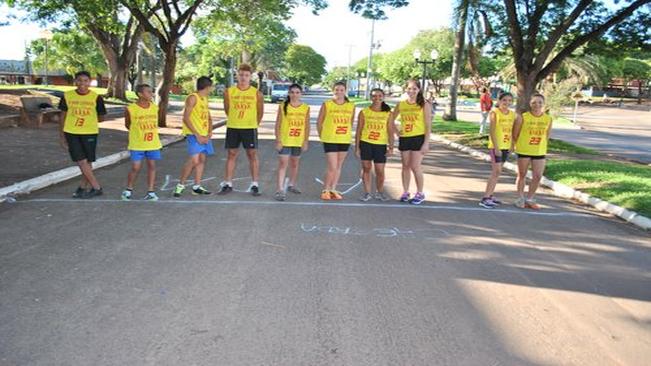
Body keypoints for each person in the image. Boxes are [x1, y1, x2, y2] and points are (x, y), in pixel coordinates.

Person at [58, 70, 107, 199]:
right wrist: (62, 136)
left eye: (85, 81)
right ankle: (96, 187)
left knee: (88, 161)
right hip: (71, 132)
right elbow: (62, 116)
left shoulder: (96, 97)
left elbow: (101, 117)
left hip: (90, 132)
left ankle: (82, 187)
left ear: (90, 82)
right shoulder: (67, 96)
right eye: (79, 80)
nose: (82, 83)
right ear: (75, 82)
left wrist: (87, 119)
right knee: (81, 160)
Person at [219, 63, 264, 196]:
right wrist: (235, 119)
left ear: (251, 77)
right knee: (231, 154)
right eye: (241, 75)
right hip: (233, 126)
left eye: (246, 75)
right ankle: (228, 183)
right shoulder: (229, 92)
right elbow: (227, 109)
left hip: (249, 128)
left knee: (252, 155)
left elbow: (260, 112)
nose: (243, 78)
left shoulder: (256, 93)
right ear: (237, 76)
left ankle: (255, 184)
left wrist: (253, 123)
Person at [389, 79, 432, 205]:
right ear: (405, 89)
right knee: (405, 166)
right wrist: (397, 131)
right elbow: (391, 118)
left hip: (418, 137)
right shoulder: (402, 104)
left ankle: (420, 193)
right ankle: (405, 191)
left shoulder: (424, 104)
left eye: (414, 88)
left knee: (415, 166)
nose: (411, 91)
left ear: (419, 90)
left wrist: (426, 143)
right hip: (405, 137)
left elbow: (428, 125)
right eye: (409, 88)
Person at [173, 76, 215, 197]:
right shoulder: (192, 98)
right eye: (211, 87)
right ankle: (180, 185)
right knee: (194, 160)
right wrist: (197, 135)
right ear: (207, 87)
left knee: (202, 159)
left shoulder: (205, 99)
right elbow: (186, 118)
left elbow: (208, 117)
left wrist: (209, 132)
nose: (211, 89)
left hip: (204, 134)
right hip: (194, 134)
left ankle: (197, 186)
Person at [513, 93, 553, 210]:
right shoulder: (523, 117)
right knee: (522, 174)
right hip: (524, 149)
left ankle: (530, 198)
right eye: (534, 102)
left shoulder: (548, 119)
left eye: (539, 102)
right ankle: (520, 198)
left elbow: (547, 135)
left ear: (543, 104)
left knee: (537, 175)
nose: (537, 105)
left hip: (539, 151)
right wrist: (518, 145)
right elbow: (515, 134)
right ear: (530, 104)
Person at [122, 84, 162, 201]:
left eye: (152, 92)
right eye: (149, 92)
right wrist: (137, 133)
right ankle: (128, 189)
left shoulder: (155, 107)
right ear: (140, 94)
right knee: (136, 167)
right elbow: (128, 124)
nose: (152, 94)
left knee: (152, 166)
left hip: (153, 143)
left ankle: (151, 191)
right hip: (137, 143)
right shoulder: (130, 109)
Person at [316, 81, 355, 200]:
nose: (339, 92)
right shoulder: (327, 104)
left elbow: (351, 122)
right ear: (333, 90)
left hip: (344, 139)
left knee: (338, 165)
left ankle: (333, 189)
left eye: (341, 90)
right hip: (330, 138)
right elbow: (319, 122)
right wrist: (322, 136)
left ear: (345, 91)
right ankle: (325, 189)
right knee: (332, 166)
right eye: (336, 89)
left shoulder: (351, 106)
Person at [355, 88, 394, 202]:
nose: (377, 98)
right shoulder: (364, 112)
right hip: (366, 142)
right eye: (374, 96)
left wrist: (391, 147)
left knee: (380, 171)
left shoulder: (388, 113)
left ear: (383, 97)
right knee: (366, 168)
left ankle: (380, 192)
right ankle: (367, 193)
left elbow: (390, 131)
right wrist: (357, 148)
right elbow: (359, 131)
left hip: (380, 144)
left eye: (379, 96)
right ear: (370, 97)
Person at [274, 84, 310, 201]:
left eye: (297, 92)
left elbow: (307, 125)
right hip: (285, 140)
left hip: (298, 140)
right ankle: (279, 189)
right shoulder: (283, 106)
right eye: (292, 92)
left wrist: (305, 141)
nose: (295, 94)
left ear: (301, 94)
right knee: (283, 164)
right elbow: (278, 124)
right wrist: (278, 140)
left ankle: (292, 184)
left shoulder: (305, 107)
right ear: (289, 93)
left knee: (294, 164)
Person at [479, 92, 515, 209]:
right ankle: (485, 198)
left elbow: (512, 131)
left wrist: (511, 145)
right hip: (496, 146)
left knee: (498, 172)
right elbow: (492, 131)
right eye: (504, 100)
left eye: (509, 100)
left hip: (506, 145)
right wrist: (496, 147)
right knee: (496, 171)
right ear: (499, 101)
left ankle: (490, 195)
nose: (507, 103)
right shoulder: (495, 113)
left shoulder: (512, 115)